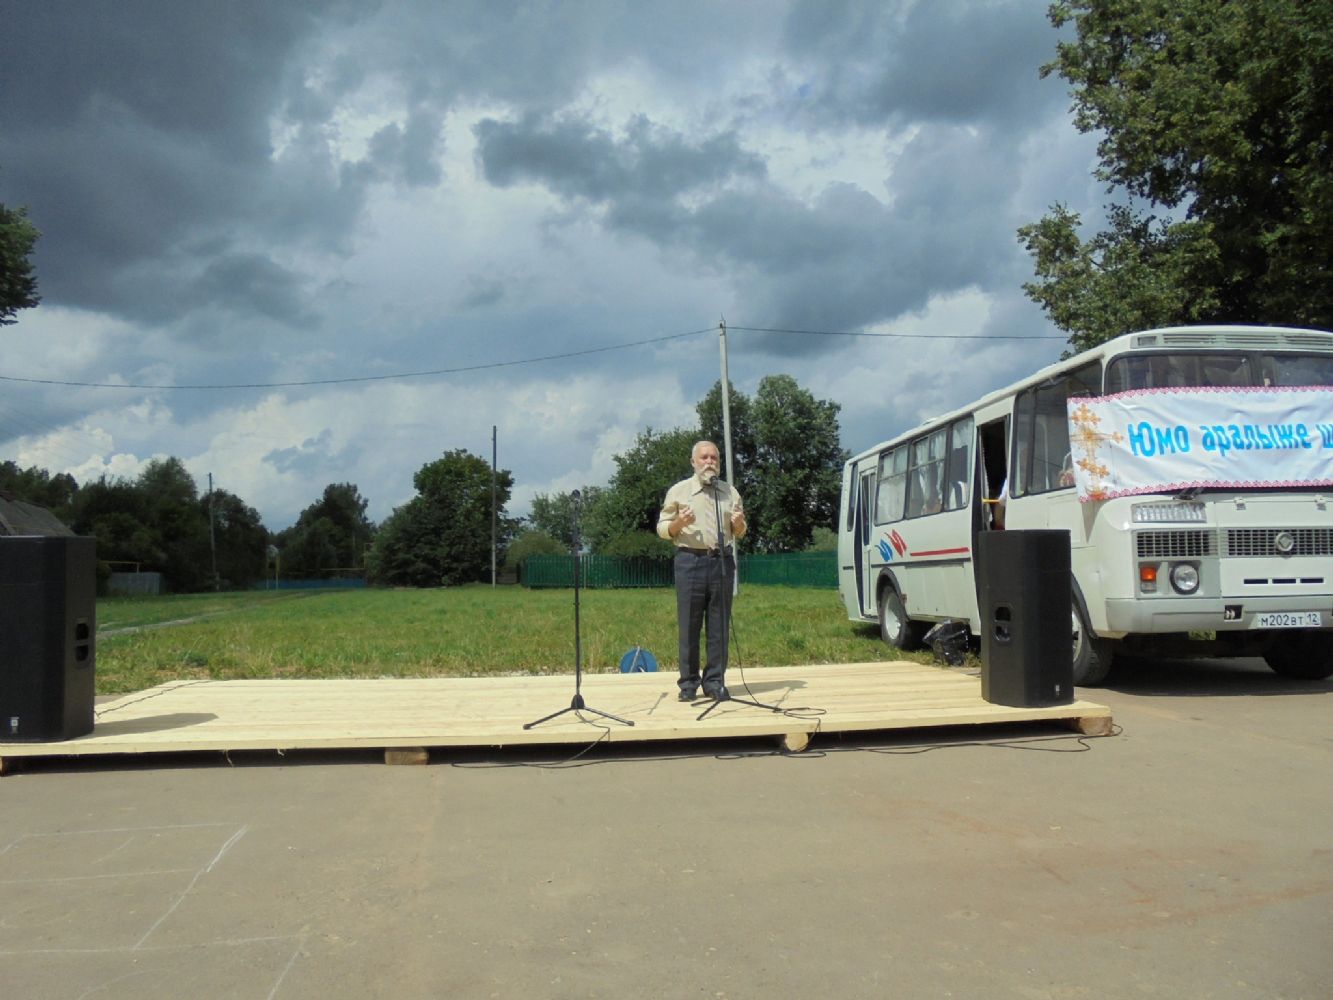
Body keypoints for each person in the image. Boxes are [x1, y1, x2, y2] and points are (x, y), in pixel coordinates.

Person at [657, 440, 747, 702]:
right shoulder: (679, 491)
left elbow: (740, 531)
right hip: (690, 560)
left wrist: (739, 525)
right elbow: (662, 528)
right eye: (704, 457)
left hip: (721, 560)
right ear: (693, 462)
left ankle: (715, 682)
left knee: (719, 626)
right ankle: (688, 684)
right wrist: (678, 523)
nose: (709, 462)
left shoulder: (729, 492)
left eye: (714, 458)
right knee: (689, 625)